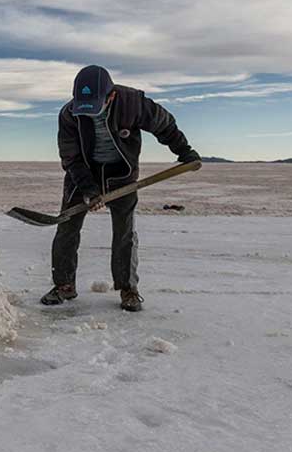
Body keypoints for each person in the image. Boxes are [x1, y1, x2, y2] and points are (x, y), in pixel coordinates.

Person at [41, 65, 200, 311]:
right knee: (66, 227)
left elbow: (164, 125)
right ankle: (64, 285)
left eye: (96, 105)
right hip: (82, 175)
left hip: (122, 176)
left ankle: (128, 289)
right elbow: (71, 158)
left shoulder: (133, 103)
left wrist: (184, 151)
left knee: (125, 233)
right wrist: (89, 190)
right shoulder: (69, 114)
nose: (89, 114)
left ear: (111, 95)